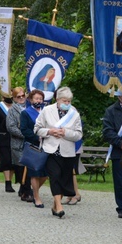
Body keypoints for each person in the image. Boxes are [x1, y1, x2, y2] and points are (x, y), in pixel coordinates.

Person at [34, 87, 83, 218]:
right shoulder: (47, 110)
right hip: (51, 150)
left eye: (69, 101)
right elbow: (37, 129)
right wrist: (50, 131)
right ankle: (59, 206)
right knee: (54, 176)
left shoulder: (74, 113)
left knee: (63, 179)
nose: (67, 103)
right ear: (58, 99)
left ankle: (55, 205)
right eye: (64, 101)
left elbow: (78, 134)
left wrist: (65, 133)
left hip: (67, 152)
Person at [20, 89, 48, 207]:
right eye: (36, 99)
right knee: (35, 172)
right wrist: (37, 137)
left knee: (46, 173)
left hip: (47, 145)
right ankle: (36, 197)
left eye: (40, 99)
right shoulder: (26, 113)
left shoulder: (46, 112)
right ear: (31, 100)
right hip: (33, 145)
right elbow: (24, 129)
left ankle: (33, 190)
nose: (38, 101)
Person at [7, 87, 32, 201]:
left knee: (29, 166)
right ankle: (26, 191)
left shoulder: (30, 107)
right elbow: (10, 126)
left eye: (23, 96)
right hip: (18, 143)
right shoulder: (12, 110)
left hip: (30, 142)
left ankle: (25, 188)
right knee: (21, 166)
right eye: (19, 97)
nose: (21, 98)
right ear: (14, 98)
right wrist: (24, 134)